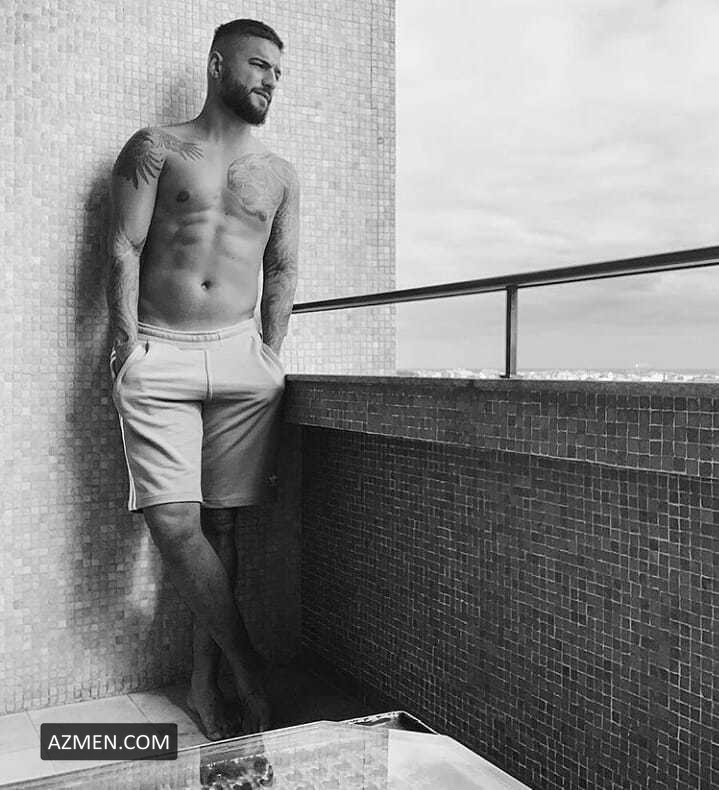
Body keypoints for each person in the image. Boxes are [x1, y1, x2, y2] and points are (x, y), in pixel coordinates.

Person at [105, 18, 299, 740]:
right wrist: (126, 345)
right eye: (258, 65)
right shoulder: (155, 148)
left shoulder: (279, 173)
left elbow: (282, 267)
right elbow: (123, 246)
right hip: (162, 351)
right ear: (218, 65)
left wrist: (270, 354)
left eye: (277, 71)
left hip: (243, 357)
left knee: (222, 525)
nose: (269, 80)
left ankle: (201, 682)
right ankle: (249, 668)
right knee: (175, 522)